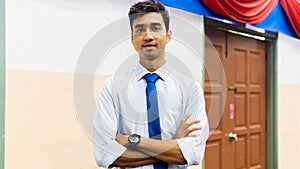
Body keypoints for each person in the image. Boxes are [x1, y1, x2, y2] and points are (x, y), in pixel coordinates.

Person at [93, 0, 209, 168]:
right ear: (132, 38)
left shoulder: (191, 89)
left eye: (155, 28)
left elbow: (193, 153)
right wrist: (174, 145)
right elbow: (104, 155)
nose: (148, 36)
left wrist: (134, 141)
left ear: (168, 35)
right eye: (140, 30)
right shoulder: (112, 88)